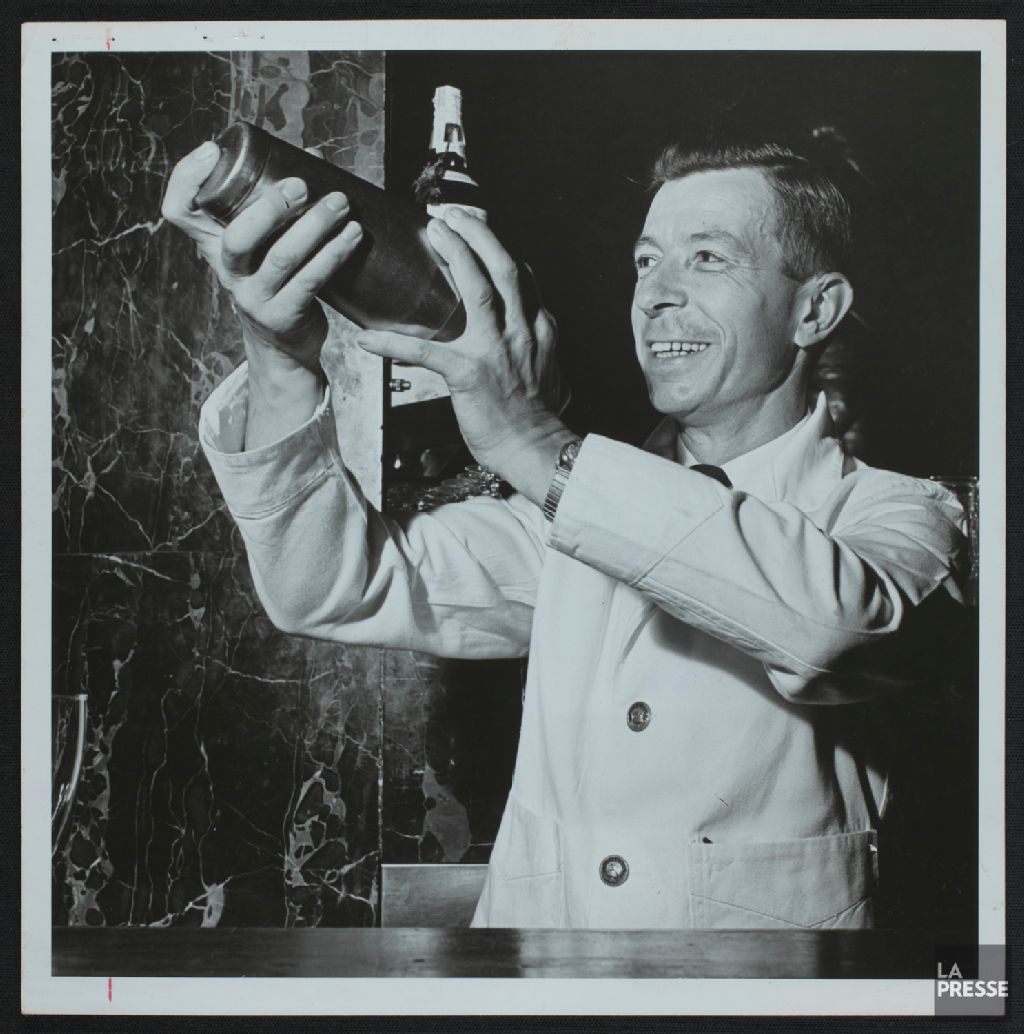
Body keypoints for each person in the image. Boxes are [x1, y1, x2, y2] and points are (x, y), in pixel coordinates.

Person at [162, 130, 967, 930]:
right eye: (647, 261)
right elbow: (330, 588)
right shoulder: (563, 521)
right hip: (540, 981)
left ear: (815, 308)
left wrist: (530, 443)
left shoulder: (904, 516)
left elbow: (835, 627)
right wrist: (279, 358)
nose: (656, 296)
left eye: (708, 258)